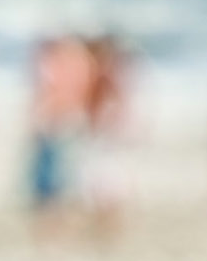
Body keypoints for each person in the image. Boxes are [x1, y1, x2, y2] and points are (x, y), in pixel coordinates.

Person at [27, 35, 94, 235]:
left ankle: (54, 221)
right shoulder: (77, 64)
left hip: (57, 123)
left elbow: (58, 95)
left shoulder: (68, 65)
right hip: (61, 121)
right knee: (55, 174)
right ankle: (54, 219)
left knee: (55, 175)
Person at [82, 33, 131, 236]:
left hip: (104, 138)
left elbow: (115, 106)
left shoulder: (105, 76)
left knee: (103, 182)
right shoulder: (107, 75)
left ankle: (107, 226)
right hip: (105, 137)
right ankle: (106, 225)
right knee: (104, 183)